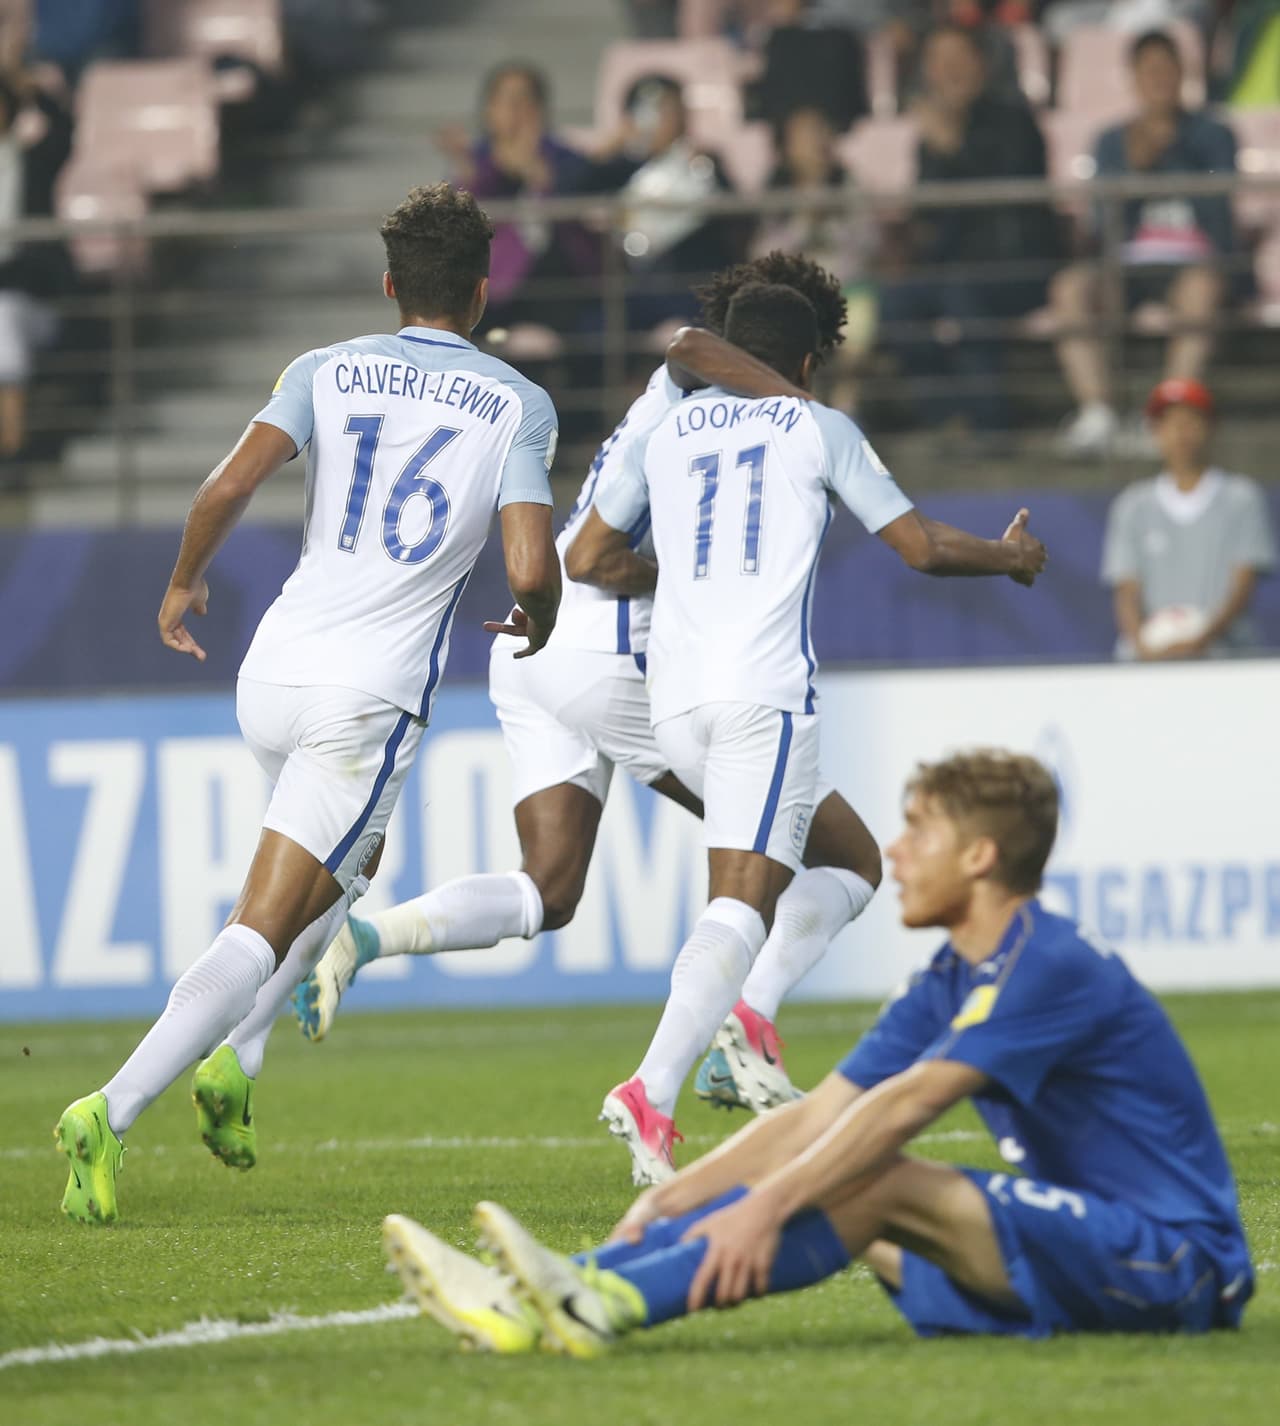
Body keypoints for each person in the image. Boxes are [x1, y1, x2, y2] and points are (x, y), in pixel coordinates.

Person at [294, 255, 887, 1179]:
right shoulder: (721, 399)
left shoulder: (680, 403)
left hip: (538, 648)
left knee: (550, 887)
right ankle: (743, 1027)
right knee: (838, 856)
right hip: (613, 653)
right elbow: (684, 367)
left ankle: (368, 938)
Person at [52, 183, 563, 1225]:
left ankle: (237, 1063)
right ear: (479, 293)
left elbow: (224, 488)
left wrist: (184, 582)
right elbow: (528, 564)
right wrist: (539, 616)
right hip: (363, 699)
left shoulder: (323, 367)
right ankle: (111, 1108)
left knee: (350, 865)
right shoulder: (518, 402)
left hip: (273, 671)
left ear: (388, 285)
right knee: (265, 921)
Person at [380, 749, 1254, 1356]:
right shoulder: (954, 973)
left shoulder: (1048, 963)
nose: (894, 852)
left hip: (1177, 1265)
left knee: (870, 1176)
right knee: (837, 1172)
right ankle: (551, 1292)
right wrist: (672, 1198)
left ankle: (601, 1302)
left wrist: (764, 1207)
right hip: (1084, 1251)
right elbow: (822, 1114)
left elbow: (905, 1108)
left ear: (981, 856)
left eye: (919, 832)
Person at [566, 281, 1046, 1183]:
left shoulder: (666, 431)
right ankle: (651, 1090)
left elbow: (587, 557)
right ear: (807, 360)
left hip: (675, 705)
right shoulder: (818, 426)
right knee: (740, 906)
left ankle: (745, 1020)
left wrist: (686, 578)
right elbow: (921, 547)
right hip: (761, 696)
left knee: (852, 860)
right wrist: (1010, 556)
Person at [1052, 30, 1239, 458]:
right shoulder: (1111, 141)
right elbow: (1101, 223)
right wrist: (1135, 169)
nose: (1158, 79)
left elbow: (1220, 213)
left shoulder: (1213, 134)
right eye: (1148, 71)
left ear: (1183, 74)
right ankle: (1097, 412)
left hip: (1193, 262)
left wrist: (1174, 150)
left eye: (1166, 69)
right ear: (1133, 78)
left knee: (1201, 290)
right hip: (1127, 266)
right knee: (1070, 289)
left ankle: (1166, 414)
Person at [877, 23, 1060, 436]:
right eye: (939, 62)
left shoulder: (1015, 119)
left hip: (1017, 267)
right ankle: (945, 415)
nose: (949, 70)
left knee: (966, 296)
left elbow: (1007, 185)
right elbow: (928, 211)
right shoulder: (931, 137)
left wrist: (951, 145)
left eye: (959, 59)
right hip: (950, 269)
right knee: (896, 304)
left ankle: (990, 425)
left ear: (982, 64)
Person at [1101, 377, 1277, 657]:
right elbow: (1126, 588)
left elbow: (1244, 581)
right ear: (1155, 431)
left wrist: (1201, 641)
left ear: (1210, 427)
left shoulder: (1241, 499)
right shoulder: (1132, 505)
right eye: (1169, 422)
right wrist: (1143, 647)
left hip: (1224, 656)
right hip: (1149, 659)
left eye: (1191, 421)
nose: (1180, 432)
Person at [437, 64, 599, 337]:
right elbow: (460, 222)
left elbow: (578, 223)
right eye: (505, 100)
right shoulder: (473, 162)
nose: (515, 110)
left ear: (540, 110)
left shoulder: (566, 159)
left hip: (553, 290)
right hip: (487, 291)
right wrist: (478, 172)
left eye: (524, 99)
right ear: (489, 110)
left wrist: (538, 176)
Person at [580, 75, 744, 329]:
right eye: (649, 111)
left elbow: (737, 213)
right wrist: (607, 149)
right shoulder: (620, 167)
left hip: (693, 284)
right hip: (636, 287)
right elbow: (573, 192)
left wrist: (704, 171)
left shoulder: (703, 162)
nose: (659, 120)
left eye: (669, 110)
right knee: (596, 328)